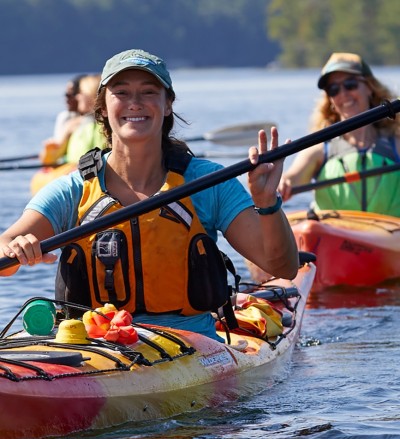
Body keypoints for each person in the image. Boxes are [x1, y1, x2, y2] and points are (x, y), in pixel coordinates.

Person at [0, 49, 298, 342]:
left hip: (193, 346)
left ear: (167, 104)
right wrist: (17, 248)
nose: (135, 103)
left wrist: (267, 203)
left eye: (148, 92)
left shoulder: (209, 184)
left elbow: (282, 267)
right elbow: (4, 249)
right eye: (121, 93)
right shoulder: (72, 190)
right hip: (96, 345)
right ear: (102, 107)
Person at [279, 52, 400, 216]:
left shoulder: (396, 144)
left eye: (350, 84)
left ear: (370, 88)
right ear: (331, 101)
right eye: (333, 89)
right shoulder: (320, 150)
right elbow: (293, 177)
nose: (343, 94)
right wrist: (284, 183)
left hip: (389, 234)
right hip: (335, 235)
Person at [40, 74, 106, 165]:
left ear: (93, 95)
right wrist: (50, 150)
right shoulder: (72, 124)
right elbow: (52, 157)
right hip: (76, 172)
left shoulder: (110, 125)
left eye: (81, 92)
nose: (78, 97)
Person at [52, 74, 87, 142]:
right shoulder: (65, 117)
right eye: (66, 95)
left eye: (71, 95)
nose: (66, 99)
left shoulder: (96, 121)